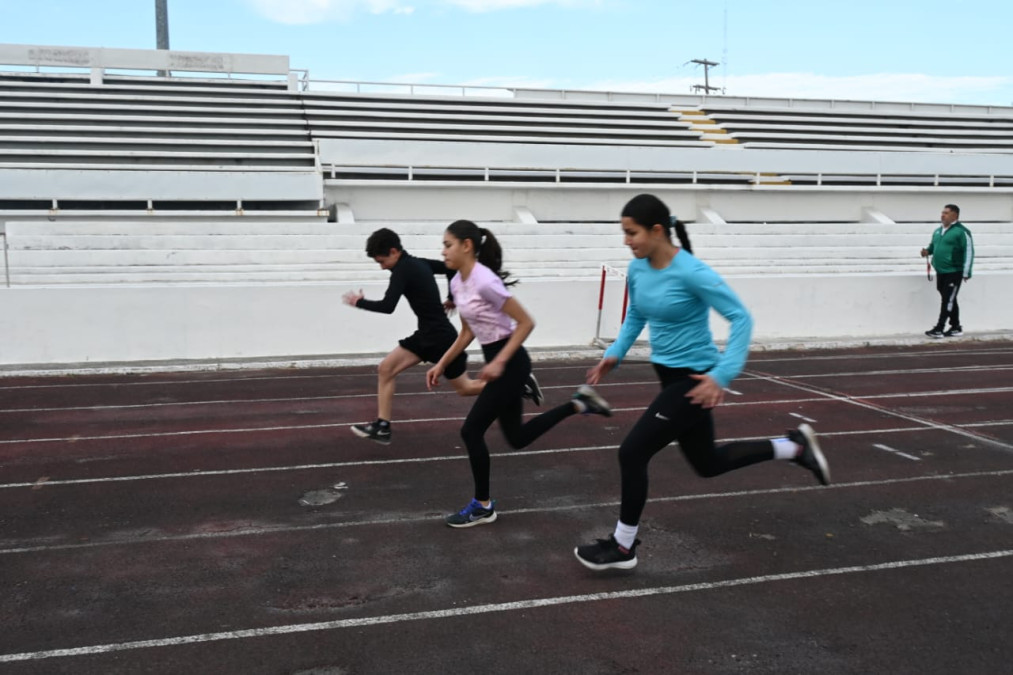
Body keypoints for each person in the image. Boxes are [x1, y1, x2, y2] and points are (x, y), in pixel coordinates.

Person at [574, 194, 831, 571]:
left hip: (695, 380)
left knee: (632, 452)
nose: (626, 241)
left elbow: (741, 318)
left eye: (632, 233)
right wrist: (615, 353)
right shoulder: (638, 269)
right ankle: (793, 448)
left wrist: (721, 376)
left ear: (657, 230)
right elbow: (635, 317)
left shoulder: (692, 272)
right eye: (624, 234)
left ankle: (623, 547)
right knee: (708, 463)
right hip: (669, 378)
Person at [426, 219, 612, 528]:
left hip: (511, 364)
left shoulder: (486, 282)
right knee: (518, 438)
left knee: (470, 431)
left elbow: (526, 322)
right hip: (500, 364)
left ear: (466, 246)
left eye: (447, 244)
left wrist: (500, 363)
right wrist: (442, 363)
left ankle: (483, 506)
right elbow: (468, 332)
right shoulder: (458, 282)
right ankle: (578, 403)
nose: (443, 251)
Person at [343, 228, 543, 445]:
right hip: (430, 335)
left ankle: (516, 383)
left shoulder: (402, 270)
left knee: (464, 388)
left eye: (382, 261)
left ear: (394, 251)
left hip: (437, 337)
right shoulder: (419, 263)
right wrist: (451, 297)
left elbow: (388, 306)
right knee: (387, 369)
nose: (382, 267)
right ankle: (382, 426)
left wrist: (359, 302)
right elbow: (450, 270)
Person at [921, 204, 974, 338]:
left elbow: (969, 252)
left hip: (954, 271)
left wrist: (967, 272)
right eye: (942, 212)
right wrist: (927, 251)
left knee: (947, 300)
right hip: (941, 271)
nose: (942, 215)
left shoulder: (962, 232)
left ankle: (939, 328)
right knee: (949, 298)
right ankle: (956, 326)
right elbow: (933, 246)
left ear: (955, 215)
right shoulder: (938, 231)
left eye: (946, 213)